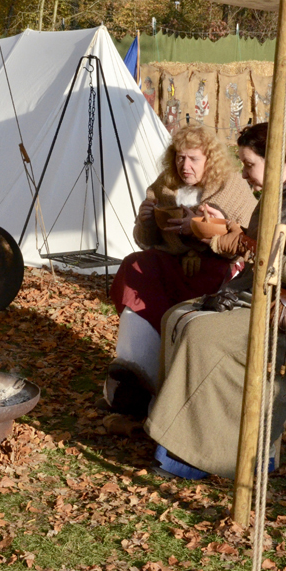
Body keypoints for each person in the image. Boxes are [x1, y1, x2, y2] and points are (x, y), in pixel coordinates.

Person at [145, 122, 286, 478]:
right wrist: (232, 230)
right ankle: (175, 438)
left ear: (274, 160)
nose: (244, 173)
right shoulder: (282, 191)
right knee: (176, 316)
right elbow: (269, 248)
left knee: (203, 335)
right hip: (275, 298)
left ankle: (201, 453)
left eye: (249, 165)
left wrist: (241, 244)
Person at [104, 126, 256, 412]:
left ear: (210, 159)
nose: (185, 166)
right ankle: (136, 370)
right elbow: (145, 239)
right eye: (180, 157)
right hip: (171, 263)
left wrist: (200, 227)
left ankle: (176, 373)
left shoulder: (231, 186)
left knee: (210, 294)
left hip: (214, 266)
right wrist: (146, 221)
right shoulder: (165, 184)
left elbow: (247, 239)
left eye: (194, 159)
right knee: (135, 264)